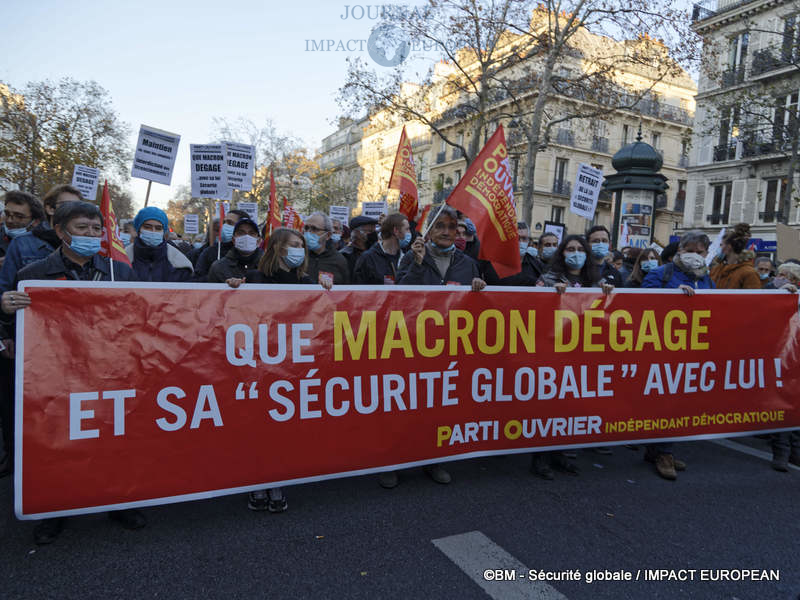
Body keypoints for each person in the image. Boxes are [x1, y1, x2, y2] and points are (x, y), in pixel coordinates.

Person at [0, 201, 144, 544]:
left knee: (112, 439)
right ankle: (55, 510)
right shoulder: (33, 275)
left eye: (96, 229)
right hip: (57, 375)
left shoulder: (118, 272)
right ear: (61, 231)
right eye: (82, 228)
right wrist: (5, 310)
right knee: (58, 442)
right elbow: (18, 329)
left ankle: (118, 501)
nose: (91, 235)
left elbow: (139, 315)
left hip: (109, 372)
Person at [226, 226, 331, 511]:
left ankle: (277, 481)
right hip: (259, 366)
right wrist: (232, 289)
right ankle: (257, 482)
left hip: (292, 367)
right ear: (276, 247)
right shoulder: (255, 279)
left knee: (284, 427)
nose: (298, 250)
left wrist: (326, 292)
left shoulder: (307, 283)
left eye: (301, 245)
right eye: (292, 244)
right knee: (260, 426)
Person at [393, 205, 485, 486]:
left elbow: (479, 308)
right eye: (440, 226)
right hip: (413, 346)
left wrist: (479, 288)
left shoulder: (468, 263)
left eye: (451, 227)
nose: (446, 232)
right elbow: (398, 296)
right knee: (406, 408)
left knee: (439, 408)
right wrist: (417, 264)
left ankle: (433, 460)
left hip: (449, 351)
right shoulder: (413, 256)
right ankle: (392, 463)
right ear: (430, 230)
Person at [534, 234, 614, 474]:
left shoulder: (596, 281)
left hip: (582, 354)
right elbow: (531, 309)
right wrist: (550, 295)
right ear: (562, 253)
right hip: (553, 351)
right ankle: (540, 458)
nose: (576, 253)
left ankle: (560, 454)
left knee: (570, 406)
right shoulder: (548, 279)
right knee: (548, 406)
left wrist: (608, 294)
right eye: (570, 249)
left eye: (580, 249)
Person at [641, 230, 715, 480]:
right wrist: (671, 297)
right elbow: (640, 304)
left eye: (699, 252)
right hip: (662, 349)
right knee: (666, 401)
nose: (694, 255)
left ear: (706, 254)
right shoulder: (661, 274)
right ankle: (664, 453)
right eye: (689, 251)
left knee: (679, 401)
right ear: (680, 250)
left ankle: (657, 449)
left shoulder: (707, 278)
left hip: (692, 350)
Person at [0, 191, 51, 293]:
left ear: (35, 221)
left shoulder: (47, 244)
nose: (10, 220)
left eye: (19, 216)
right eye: (7, 214)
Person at [126, 207, 193, 282]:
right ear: (138, 229)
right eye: (147, 227)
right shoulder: (123, 257)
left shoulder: (179, 263)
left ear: (163, 231)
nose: (153, 231)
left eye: (158, 228)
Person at [353, 212, 410, 285]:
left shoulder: (405, 258)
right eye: (407, 229)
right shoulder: (368, 259)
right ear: (396, 231)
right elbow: (358, 288)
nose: (409, 233)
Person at [484, 222, 545, 286]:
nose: (520, 242)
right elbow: (494, 280)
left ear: (529, 241)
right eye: (516, 238)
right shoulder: (496, 262)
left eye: (524, 238)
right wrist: (532, 281)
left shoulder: (536, 264)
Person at [194, 209, 249, 280]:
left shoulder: (252, 253)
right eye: (224, 222)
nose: (224, 226)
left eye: (229, 223)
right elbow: (196, 279)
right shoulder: (210, 252)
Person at [207, 218, 264, 283]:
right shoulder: (218, 267)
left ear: (258, 241)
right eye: (241, 233)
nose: (246, 237)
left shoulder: (269, 265)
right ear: (233, 240)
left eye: (251, 233)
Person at [710, 223, 761, 289]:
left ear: (729, 247)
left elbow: (753, 295)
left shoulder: (749, 273)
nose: (719, 248)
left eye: (721, 245)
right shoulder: (717, 269)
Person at [304, 212, 350, 285]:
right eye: (306, 228)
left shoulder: (339, 260)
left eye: (314, 229)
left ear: (328, 235)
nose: (308, 232)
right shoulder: (299, 257)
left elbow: (345, 287)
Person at [341, 215, 378, 281]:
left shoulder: (377, 253)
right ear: (357, 233)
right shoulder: (345, 255)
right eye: (370, 231)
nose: (373, 234)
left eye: (374, 231)